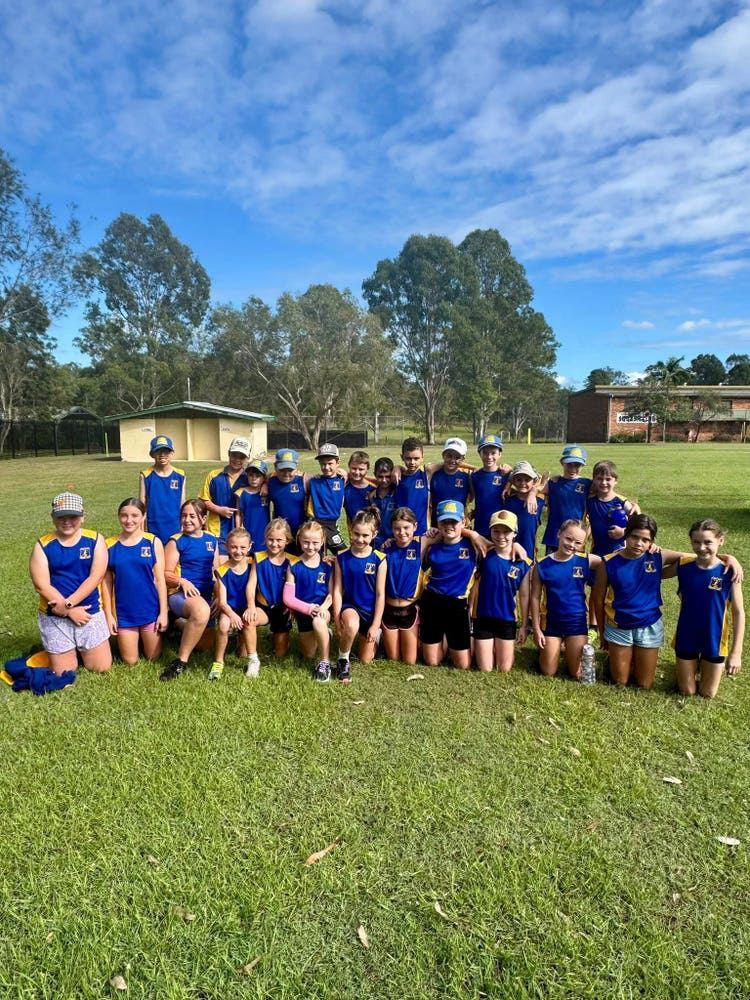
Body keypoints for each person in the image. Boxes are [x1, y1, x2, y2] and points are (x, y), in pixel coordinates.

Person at [591, 513, 686, 689]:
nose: (639, 543)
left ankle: (633, 656)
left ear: (652, 541)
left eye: (645, 539)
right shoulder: (608, 562)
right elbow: (597, 599)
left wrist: (728, 558)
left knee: (645, 684)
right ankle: (621, 655)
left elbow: (692, 558)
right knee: (620, 682)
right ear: (626, 534)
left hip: (649, 624)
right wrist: (603, 633)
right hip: (618, 625)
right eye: (635, 537)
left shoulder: (658, 556)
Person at [29, 492, 112, 675]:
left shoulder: (95, 540)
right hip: (55, 615)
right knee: (64, 672)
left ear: (82, 516)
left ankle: (76, 649)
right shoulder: (42, 545)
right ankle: (63, 651)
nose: (67, 521)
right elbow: (41, 585)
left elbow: (95, 577)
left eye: (72, 517)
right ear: (53, 518)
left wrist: (69, 604)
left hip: (88, 613)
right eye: (61, 517)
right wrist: (68, 611)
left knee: (101, 667)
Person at [663, 518, 745, 698]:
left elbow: (738, 613)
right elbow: (656, 573)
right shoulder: (684, 566)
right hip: (686, 635)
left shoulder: (729, 572)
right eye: (696, 542)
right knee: (687, 691)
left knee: (708, 693)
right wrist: (651, 551)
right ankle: (692, 665)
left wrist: (736, 652)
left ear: (720, 541)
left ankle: (705, 666)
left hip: (714, 639)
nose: (701, 547)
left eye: (708, 542)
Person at [531, 519, 601, 680]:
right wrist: (536, 628)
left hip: (576, 623)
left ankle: (569, 647)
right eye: (568, 538)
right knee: (548, 671)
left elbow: (613, 561)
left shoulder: (586, 560)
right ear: (559, 534)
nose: (571, 545)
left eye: (578, 542)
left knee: (577, 674)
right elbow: (535, 597)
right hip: (551, 624)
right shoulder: (542, 565)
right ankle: (554, 648)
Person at [102, 498, 168, 664]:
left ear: (143, 516)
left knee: (153, 658)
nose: (129, 520)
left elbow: (160, 580)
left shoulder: (153, 542)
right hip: (124, 612)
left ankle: (174, 625)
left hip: (149, 609)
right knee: (130, 662)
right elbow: (106, 583)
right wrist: (108, 615)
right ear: (118, 517)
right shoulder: (108, 545)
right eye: (124, 515)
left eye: (134, 515)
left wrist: (163, 612)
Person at [160, 498, 219, 680]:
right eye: (184, 516)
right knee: (201, 611)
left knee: (203, 647)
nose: (187, 520)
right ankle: (180, 662)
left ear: (203, 519)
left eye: (192, 516)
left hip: (206, 596)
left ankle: (176, 623)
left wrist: (219, 596)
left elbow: (215, 573)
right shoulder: (176, 541)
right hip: (180, 595)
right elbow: (165, 573)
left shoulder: (211, 540)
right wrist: (182, 581)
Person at [420, 499, 480, 670]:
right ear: (437, 522)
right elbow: (418, 562)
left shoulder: (473, 545)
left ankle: (449, 638)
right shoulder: (433, 545)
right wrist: (429, 540)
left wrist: (473, 534)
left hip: (457, 604)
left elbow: (497, 545)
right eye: (444, 521)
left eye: (453, 521)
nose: (449, 526)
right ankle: (441, 638)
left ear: (463, 521)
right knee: (432, 662)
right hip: (432, 601)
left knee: (463, 665)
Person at [472, 510, 532, 673]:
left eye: (506, 532)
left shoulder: (523, 563)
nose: (501, 536)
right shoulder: (483, 553)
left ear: (515, 533)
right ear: (490, 531)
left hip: (506, 619)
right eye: (496, 531)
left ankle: (495, 646)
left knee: (504, 669)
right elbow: (457, 533)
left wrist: (524, 625)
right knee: (485, 669)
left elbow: (525, 596)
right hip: (483, 618)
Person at [332, 507, 387, 682]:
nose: (360, 539)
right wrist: (338, 621)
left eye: (365, 536)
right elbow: (338, 591)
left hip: (370, 612)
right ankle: (342, 660)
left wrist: (375, 624)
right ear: (351, 530)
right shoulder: (342, 557)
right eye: (356, 534)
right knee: (352, 625)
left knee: (365, 660)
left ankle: (377, 636)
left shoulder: (380, 559)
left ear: (374, 534)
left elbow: (380, 595)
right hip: (351, 607)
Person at [283, 521, 335, 681]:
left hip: (323, 609)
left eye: (315, 543)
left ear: (322, 542)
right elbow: (288, 598)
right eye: (306, 542)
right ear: (299, 540)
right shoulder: (294, 565)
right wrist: (308, 608)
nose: (310, 547)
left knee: (318, 622)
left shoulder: (328, 565)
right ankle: (326, 635)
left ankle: (325, 663)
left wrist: (323, 608)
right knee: (308, 654)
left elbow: (332, 594)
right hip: (304, 612)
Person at [245, 518, 294, 669]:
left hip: (283, 609)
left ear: (287, 541)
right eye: (270, 539)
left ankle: (278, 635)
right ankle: (253, 660)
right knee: (248, 621)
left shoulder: (292, 561)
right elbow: (251, 585)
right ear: (265, 539)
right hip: (263, 607)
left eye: (279, 540)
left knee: (280, 654)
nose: (274, 543)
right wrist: (251, 606)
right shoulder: (258, 558)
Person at [381, 507, 425, 665]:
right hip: (389, 609)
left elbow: (448, 533)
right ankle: (381, 635)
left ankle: (418, 637)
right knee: (393, 658)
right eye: (397, 529)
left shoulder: (421, 544)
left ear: (415, 526)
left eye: (406, 527)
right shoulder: (385, 548)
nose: (402, 532)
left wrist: (473, 535)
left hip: (409, 610)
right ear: (391, 529)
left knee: (410, 661)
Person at [209, 527, 254, 681]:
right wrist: (233, 615)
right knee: (223, 625)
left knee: (242, 655)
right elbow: (222, 602)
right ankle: (219, 661)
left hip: (246, 607)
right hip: (229, 609)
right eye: (234, 547)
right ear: (227, 546)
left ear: (249, 547)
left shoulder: (253, 564)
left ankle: (246, 652)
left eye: (242, 547)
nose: (238, 551)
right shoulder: (222, 570)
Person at [199, 436, 250, 560]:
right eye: (234, 455)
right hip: (217, 532)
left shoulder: (251, 478)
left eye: (241, 457)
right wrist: (218, 509)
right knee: (220, 567)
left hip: (242, 532)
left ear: (248, 458)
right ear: (228, 454)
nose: (237, 459)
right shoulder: (214, 475)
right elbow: (203, 500)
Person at [540, 445, 592, 553]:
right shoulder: (553, 483)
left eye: (577, 465)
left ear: (583, 465)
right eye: (569, 465)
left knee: (574, 568)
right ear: (562, 462)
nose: (573, 469)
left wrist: (628, 503)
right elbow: (538, 492)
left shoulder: (587, 484)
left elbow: (606, 494)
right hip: (554, 537)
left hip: (576, 539)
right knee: (551, 568)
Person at [585, 460, 639, 559]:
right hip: (597, 552)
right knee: (597, 574)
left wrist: (624, 532)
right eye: (599, 479)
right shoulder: (590, 501)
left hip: (620, 551)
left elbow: (639, 526)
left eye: (608, 479)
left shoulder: (623, 502)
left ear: (616, 481)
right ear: (593, 479)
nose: (604, 482)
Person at [139, 435, 186, 545]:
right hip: (153, 525)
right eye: (158, 451)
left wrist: (183, 524)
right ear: (152, 454)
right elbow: (142, 503)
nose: (162, 455)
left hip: (175, 524)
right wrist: (141, 527)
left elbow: (182, 502)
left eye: (166, 451)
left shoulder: (180, 475)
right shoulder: (146, 475)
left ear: (172, 453)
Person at [307, 443, 347, 555]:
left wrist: (345, 473)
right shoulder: (314, 481)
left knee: (343, 555)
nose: (326, 467)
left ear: (338, 463)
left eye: (330, 463)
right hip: (316, 524)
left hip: (332, 525)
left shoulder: (342, 481)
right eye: (323, 464)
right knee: (316, 556)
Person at [502, 461, 546, 562]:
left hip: (529, 552)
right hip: (508, 551)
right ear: (513, 481)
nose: (523, 483)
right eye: (518, 480)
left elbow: (546, 480)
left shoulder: (540, 501)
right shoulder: (507, 500)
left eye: (527, 480)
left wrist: (533, 492)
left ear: (534, 481)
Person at [470, 434, 511, 539]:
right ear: (480, 453)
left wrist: (511, 471)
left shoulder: (506, 474)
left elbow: (531, 481)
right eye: (485, 453)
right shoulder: (474, 476)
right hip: (480, 527)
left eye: (493, 453)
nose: (489, 457)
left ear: (500, 454)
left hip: (501, 528)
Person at [267, 448, 308, 551]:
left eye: (290, 470)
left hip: (302, 532)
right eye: (282, 470)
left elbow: (323, 482)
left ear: (296, 468)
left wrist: (342, 474)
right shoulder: (270, 480)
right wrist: (263, 485)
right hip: (280, 535)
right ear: (275, 467)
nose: (286, 474)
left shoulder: (304, 479)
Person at [427, 438, 473, 523]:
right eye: (449, 456)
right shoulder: (433, 474)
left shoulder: (468, 476)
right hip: (436, 525)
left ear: (463, 459)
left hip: (459, 525)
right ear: (443, 455)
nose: (452, 460)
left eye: (457, 457)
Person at [393, 437, 430, 535]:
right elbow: (378, 479)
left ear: (423, 457)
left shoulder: (426, 473)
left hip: (423, 531)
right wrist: (396, 468)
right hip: (401, 531)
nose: (412, 462)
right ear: (402, 457)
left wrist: (474, 468)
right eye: (408, 458)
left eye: (416, 458)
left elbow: (450, 463)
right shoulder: (397, 476)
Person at [234, 459, 270, 552]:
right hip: (247, 531)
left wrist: (265, 484)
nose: (254, 478)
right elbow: (238, 513)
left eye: (258, 476)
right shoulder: (240, 492)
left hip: (263, 533)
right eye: (251, 475)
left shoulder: (267, 492)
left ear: (264, 477)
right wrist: (238, 531)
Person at [369, 456, 397, 550]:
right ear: (375, 475)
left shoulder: (398, 493)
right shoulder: (371, 496)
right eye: (380, 477)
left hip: (394, 541)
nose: (384, 480)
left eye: (388, 476)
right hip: (376, 542)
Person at [344, 450, 374, 531]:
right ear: (349, 466)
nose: (357, 472)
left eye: (361, 469)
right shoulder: (345, 488)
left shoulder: (373, 489)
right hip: (354, 534)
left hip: (372, 532)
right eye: (354, 468)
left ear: (367, 469)